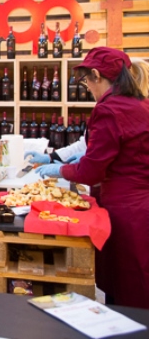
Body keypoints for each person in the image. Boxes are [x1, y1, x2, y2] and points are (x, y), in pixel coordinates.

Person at [37, 47, 149, 309]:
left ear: (97, 75)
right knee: (139, 279)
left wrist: (61, 169)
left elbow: (91, 172)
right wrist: (80, 159)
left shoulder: (109, 109)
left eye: (86, 81)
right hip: (140, 205)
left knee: (128, 284)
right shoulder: (140, 104)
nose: (87, 88)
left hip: (126, 210)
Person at [27, 59, 149, 167]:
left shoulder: (112, 111)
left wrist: (67, 170)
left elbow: (103, 160)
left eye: (86, 80)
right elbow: (86, 145)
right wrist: (51, 157)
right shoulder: (126, 107)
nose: (88, 88)